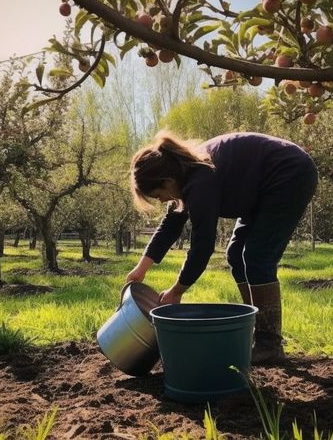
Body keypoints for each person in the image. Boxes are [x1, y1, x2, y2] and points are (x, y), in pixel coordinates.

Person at [126, 131, 318, 364]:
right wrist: (141, 269)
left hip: (289, 174)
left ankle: (269, 344)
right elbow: (171, 224)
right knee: (236, 254)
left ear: (167, 181)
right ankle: (257, 331)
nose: (164, 201)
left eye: (159, 196)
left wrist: (177, 290)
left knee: (258, 256)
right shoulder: (185, 173)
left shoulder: (199, 181)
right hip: (260, 188)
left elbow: (202, 245)